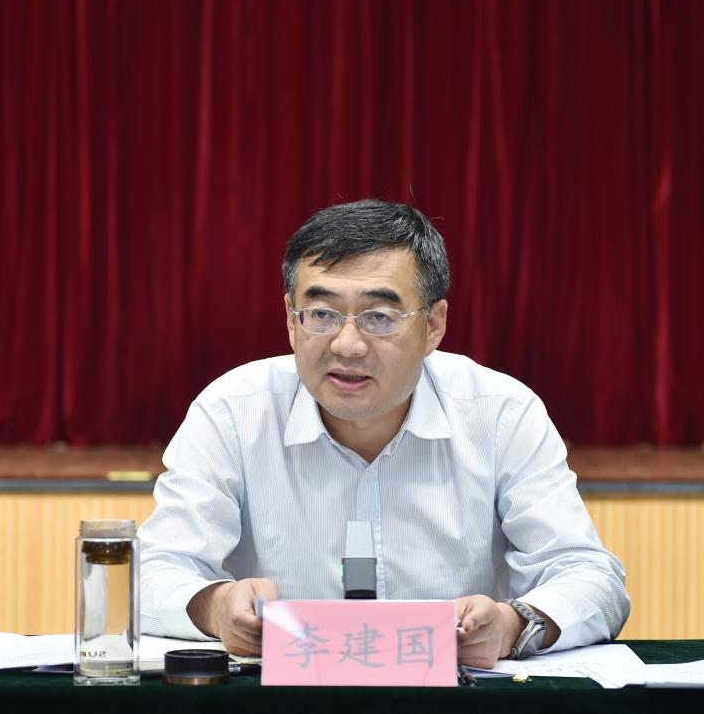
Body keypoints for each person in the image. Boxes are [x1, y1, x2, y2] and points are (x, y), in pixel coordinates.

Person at [139, 199, 629, 669]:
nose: (347, 345)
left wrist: (512, 625)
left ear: (433, 324)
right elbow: (152, 571)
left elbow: (592, 578)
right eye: (322, 314)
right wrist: (214, 607)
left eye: (379, 317)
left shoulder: (501, 414)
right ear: (291, 319)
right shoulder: (233, 412)